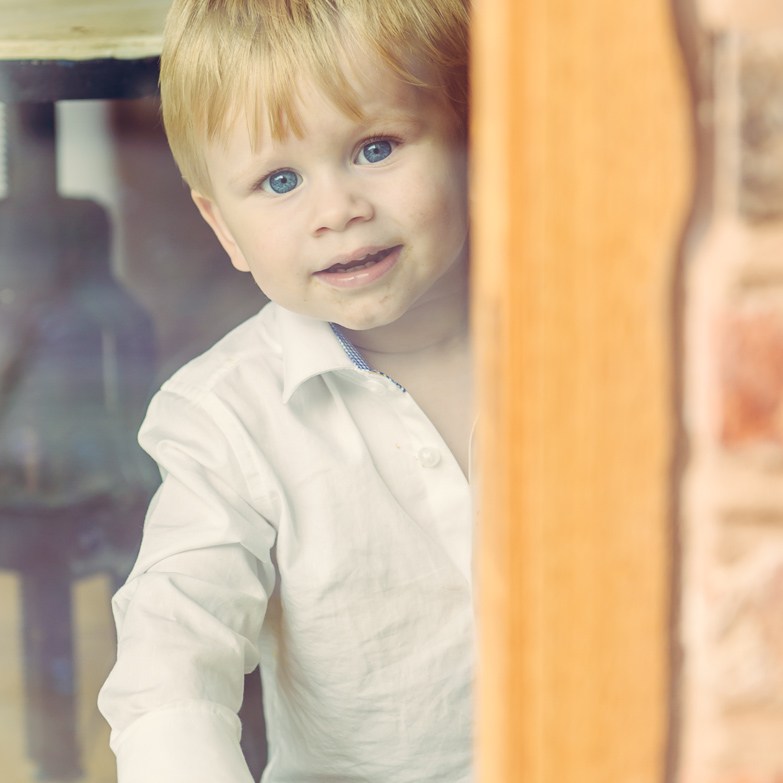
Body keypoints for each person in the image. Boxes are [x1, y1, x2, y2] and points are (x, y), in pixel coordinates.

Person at [98, 0, 474, 780]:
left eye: (375, 148)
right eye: (279, 180)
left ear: (476, 146)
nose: (337, 211)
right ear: (222, 227)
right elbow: (173, 649)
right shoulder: (223, 417)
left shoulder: (587, 346)